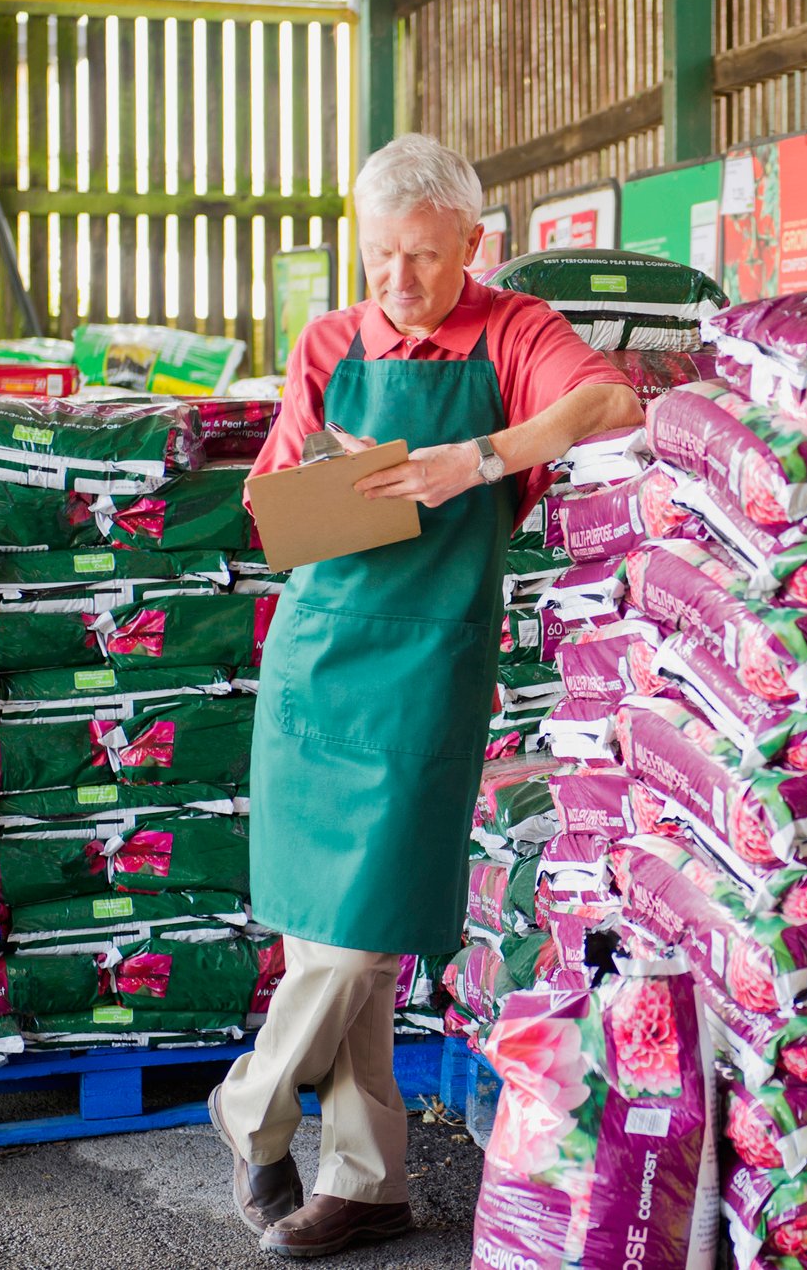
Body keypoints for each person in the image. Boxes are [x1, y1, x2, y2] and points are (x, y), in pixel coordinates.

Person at [209, 133, 643, 1258]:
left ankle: (247, 1110)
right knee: (323, 948)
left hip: (425, 674)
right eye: (377, 259)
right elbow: (270, 508)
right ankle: (367, 1180)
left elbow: (610, 404)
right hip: (315, 666)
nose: (397, 285)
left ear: (473, 244)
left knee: (363, 940)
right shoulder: (326, 341)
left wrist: (478, 458)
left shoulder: (512, 331)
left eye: (422, 258)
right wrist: (333, 485)